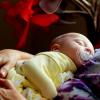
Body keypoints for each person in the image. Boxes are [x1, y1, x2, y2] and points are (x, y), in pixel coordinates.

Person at [0, 32, 94, 99]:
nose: (88, 50)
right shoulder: (59, 58)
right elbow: (29, 65)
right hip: (14, 84)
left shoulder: (71, 69)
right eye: (80, 43)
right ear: (56, 48)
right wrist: (51, 93)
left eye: (92, 53)